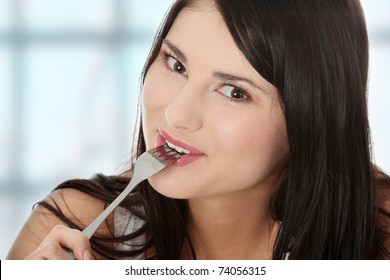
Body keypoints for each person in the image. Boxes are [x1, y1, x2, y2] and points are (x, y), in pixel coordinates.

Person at [6, 0, 390, 260]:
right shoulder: (69, 231)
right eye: (176, 64)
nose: (176, 115)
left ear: (312, 118)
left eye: (234, 91)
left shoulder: (377, 232)